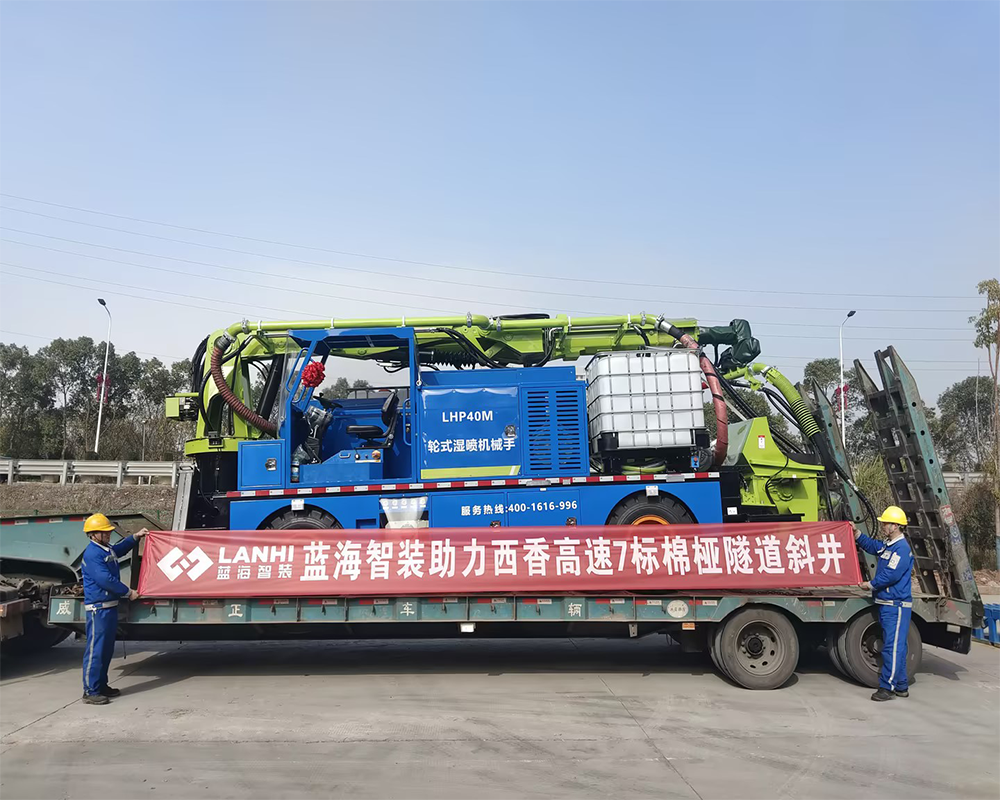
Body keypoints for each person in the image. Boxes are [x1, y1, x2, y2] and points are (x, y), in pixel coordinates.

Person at [80, 513, 149, 705]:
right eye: (105, 532)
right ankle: (90, 691)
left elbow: (118, 550)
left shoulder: (105, 549)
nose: (109, 534)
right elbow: (106, 580)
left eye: (109, 531)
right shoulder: (93, 554)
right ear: (94, 534)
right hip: (98, 609)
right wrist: (128, 592)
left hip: (109, 608)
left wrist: (135, 537)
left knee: (106, 650)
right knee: (96, 650)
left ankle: (101, 686)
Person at [852, 506, 915, 702]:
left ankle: (887, 688)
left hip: (895, 605)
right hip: (887, 604)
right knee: (898, 647)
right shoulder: (889, 545)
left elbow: (891, 575)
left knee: (891, 648)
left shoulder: (901, 549)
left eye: (886, 523)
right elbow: (873, 547)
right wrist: (857, 535)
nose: (883, 526)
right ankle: (902, 685)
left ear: (896, 526)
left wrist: (870, 585)